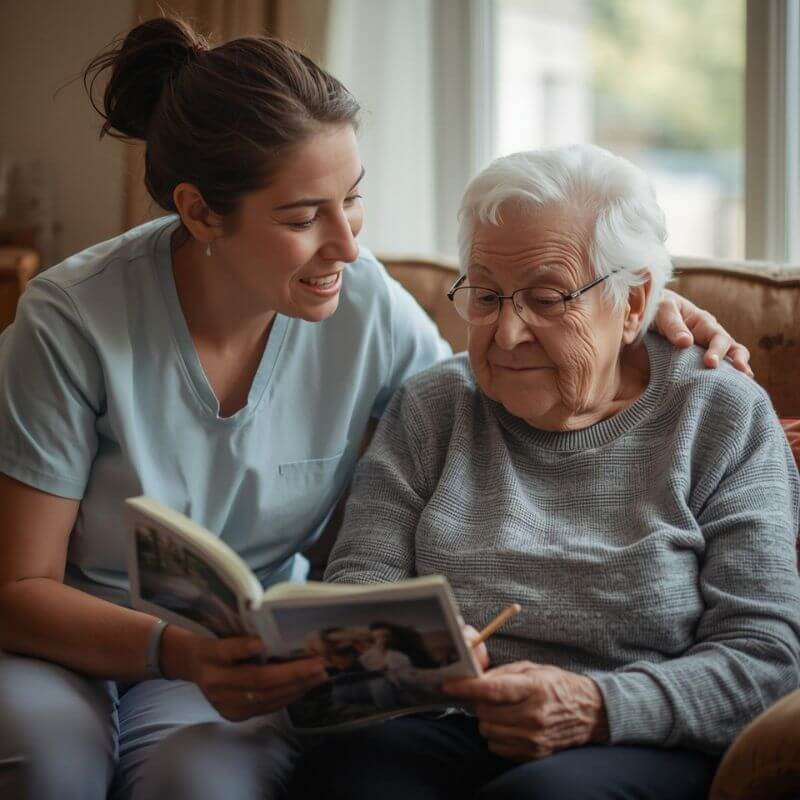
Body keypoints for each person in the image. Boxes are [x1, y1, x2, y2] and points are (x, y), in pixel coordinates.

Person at [0, 16, 752, 800]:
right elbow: (17, 592)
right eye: (302, 218)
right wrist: (180, 655)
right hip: (63, 641)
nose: (349, 246)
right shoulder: (71, 319)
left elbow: (499, 380)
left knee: (203, 786)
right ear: (199, 213)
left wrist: (650, 308)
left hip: (240, 658)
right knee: (51, 765)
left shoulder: (365, 309)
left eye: (352, 201)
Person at [291, 144, 800, 800]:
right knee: (349, 777)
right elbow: (361, 586)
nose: (506, 334)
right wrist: (407, 651)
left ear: (635, 300)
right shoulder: (434, 406)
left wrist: (595, 704)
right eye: (487, 295)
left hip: (635, 737)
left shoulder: (719, 415)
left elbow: (765, 657)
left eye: (546, 298)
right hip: (440, 722)